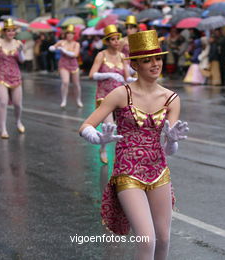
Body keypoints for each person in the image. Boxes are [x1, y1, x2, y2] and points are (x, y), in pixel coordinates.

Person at [79, 30, 188, 259]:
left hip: (159, 171)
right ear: (135, 65)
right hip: (127, 172)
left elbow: (169, 149)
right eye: (147, 60)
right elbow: (86, 126)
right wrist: (99, 138)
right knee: (146, 240)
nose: (155, 64)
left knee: (164, 238)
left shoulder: (171, 99)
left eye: (158, 58)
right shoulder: (120, 94)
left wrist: (173, 141)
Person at [89, 24, 130, 164]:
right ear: (107, 41)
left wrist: (139, 79)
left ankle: (123, 155)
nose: (116, 41)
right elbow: (92, 74)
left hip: (120, 97)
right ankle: (103, 148)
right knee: (110, 128)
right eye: (113, 39)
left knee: (126, 127)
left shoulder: (123, 56)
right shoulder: (101, 55)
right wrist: (109, 74)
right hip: (105, 97)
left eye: (118, 38)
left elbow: (127, 78)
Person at [0, 18, 26, 139]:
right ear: (4, 31)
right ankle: (3, 128)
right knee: (3, 102)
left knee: (17, 104)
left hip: (15, 76)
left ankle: (18, 121)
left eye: (12, 30)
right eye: (8, 30)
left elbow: (22, 60)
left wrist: (20, 52)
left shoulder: (18, 43)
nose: (10, 32)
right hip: (2, 76)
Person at [49, 24, 83, 108]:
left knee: (76, 83)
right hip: (63, 63)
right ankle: (64, 100)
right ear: (65, 34)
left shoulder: (76, 44)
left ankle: (78, 99)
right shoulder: (61, 42)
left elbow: (75, 54)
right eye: (68, 33)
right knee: (65, 82)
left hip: (73, 64)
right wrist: (53, 48)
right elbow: (51, 48)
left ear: (74, 35)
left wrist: (63, 50)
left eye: (71, 33)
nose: (69, 35)